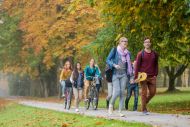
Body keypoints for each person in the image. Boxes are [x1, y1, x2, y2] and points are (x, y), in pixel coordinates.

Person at [106, 37, 132, 117]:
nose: (125, 42)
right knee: (116, 91)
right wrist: (114, 65)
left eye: (126, 41)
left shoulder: (128, 53)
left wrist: (131, 76)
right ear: (119, 42)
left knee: (122, 93)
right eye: (123, 41)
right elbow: (107, 59)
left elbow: (129, 66)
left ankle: (120, 111)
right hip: (115, 74)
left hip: (124, 74)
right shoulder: (115, 50)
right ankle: (111, 105)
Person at [135, 37, 158, 115]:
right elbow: (137, 66)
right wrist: (136, 77)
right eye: (145, 42)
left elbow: (156, 64)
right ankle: (144, 109)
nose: (147, 43)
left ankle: (144, 103)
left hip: (152, 77)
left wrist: (155, 74)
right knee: (144, 93)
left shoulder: (155, 53)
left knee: (153, 92)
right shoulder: (140, 54)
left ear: (150, 43)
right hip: (143, 76)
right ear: (143, 44)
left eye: (148, 42)